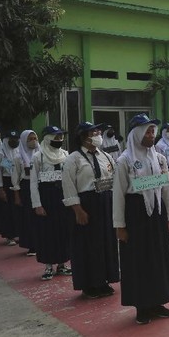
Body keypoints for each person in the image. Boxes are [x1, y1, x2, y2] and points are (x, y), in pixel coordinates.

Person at [113, 114, 169, 325]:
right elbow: (119, 194)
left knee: (158, 258)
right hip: (136, 213)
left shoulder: (159, 158)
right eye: (147, 132)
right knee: (139, 260)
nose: (151, 136)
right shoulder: (124, 161)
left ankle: (158, 301)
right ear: (136, 134)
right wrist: (119, 225)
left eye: (152, 132)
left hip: (155, 212)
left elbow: (165, 187)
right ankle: (142, 306)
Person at [62, 122, 119, 298]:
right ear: (84, 136)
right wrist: (78, 210)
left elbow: (115, 178)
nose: (98, 134)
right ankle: (89, 284)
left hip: (106, 201)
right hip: (86, 204)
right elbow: (69, 186)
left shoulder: (106, 156)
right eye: (94, 132)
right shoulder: (73, 159)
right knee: (87, 245)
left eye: (98, 131)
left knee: (106, 242)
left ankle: (104, 280)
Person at [30, 126, 71, 280]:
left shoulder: (66, 155)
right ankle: (48, 266)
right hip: (47, 198)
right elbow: (33, 182)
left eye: (61, 137)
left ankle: (62, 264)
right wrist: (37, 204)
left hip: (62, 196)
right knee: (47, 232)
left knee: (62, 230)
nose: (59, 140)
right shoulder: (38, 157)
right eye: (56, 137)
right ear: (47, 138)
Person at [12, 129, 40, 256]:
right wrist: (17, 195)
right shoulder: (18, 157)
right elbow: (15, 177)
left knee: (40, 215)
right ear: (24, 141)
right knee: (29, 217)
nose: (33, 141)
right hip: (26, 186)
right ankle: (32, 245)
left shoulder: (41, 154)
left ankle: (42, 242)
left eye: (35, 139)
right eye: (30, 139)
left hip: (40, 186)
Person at [0, 131, 21, 246]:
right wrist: (0, 189)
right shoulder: (1, 154)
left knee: (18, 210)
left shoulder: (20, 151)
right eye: (11, 139)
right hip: (6, 182)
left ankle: (19, 233)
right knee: (7, 210)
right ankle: (9, 236)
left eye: (16, 139)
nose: (14, 141)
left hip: (18, 183)